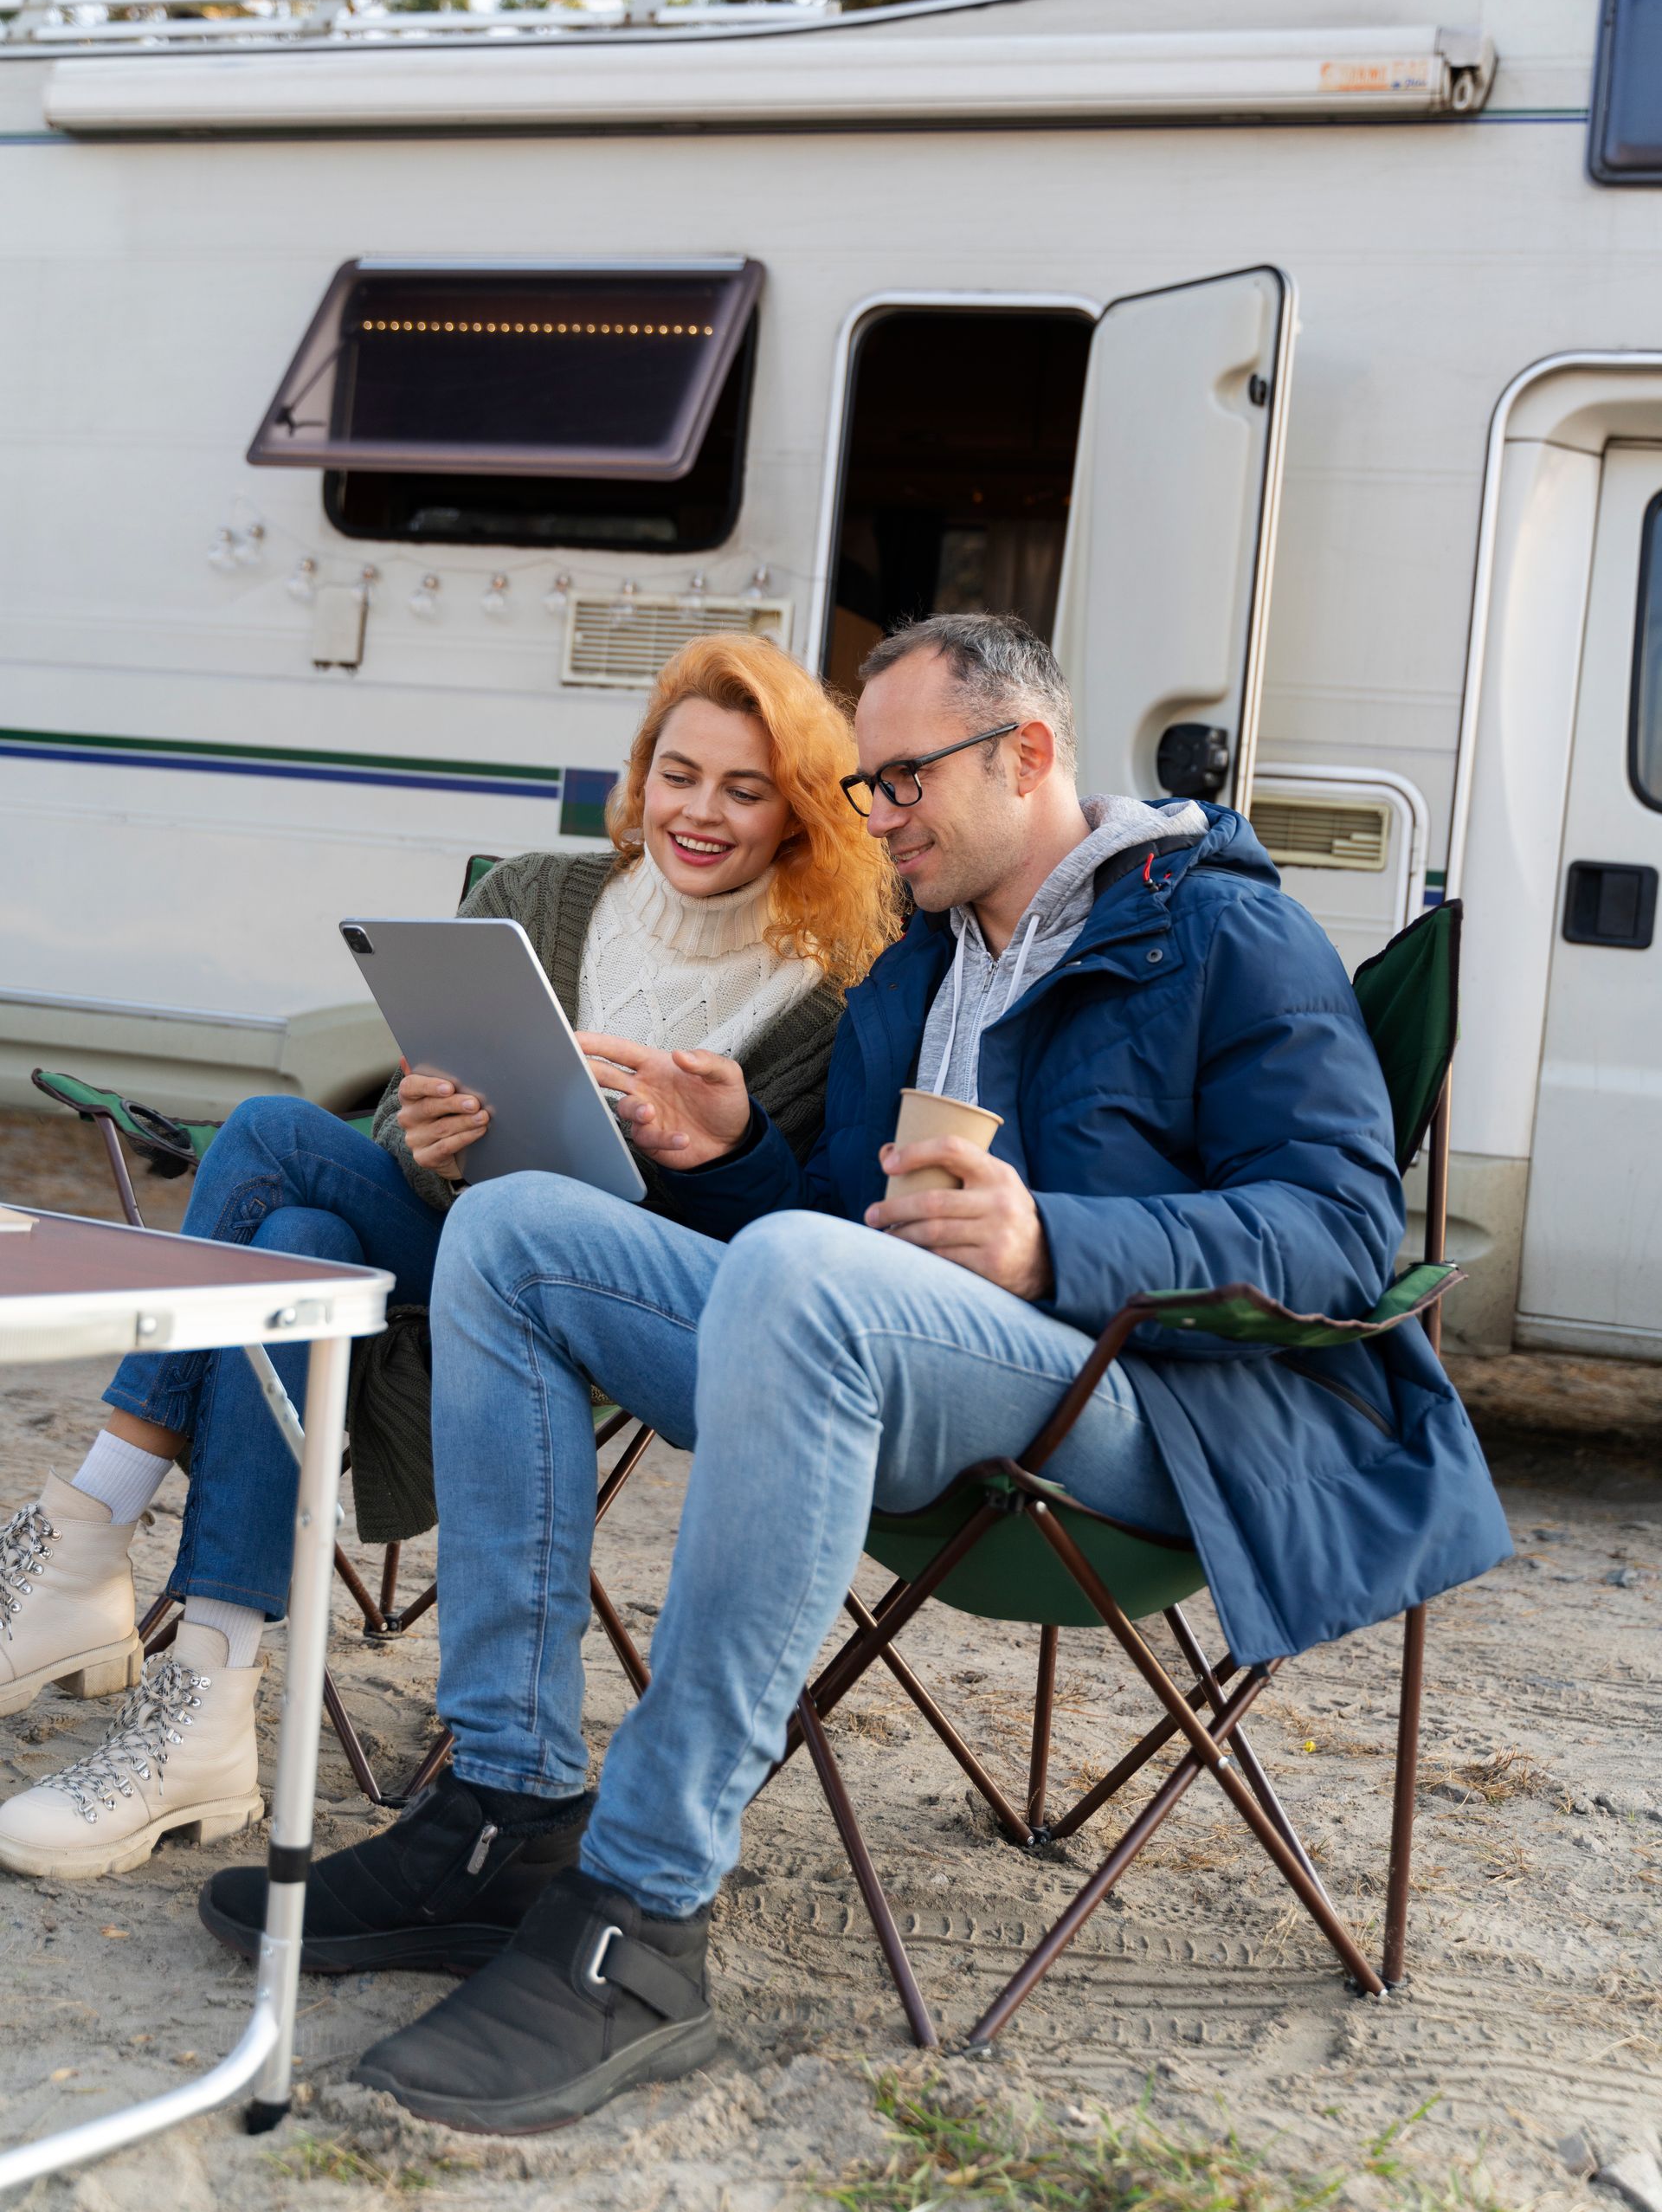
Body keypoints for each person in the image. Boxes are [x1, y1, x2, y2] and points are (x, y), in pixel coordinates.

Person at [196, 609, 1511, 2131]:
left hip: (1153, 1414)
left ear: (1026, 756)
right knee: (514, 1227)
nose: (873, 817)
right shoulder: (914, 972)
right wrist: (729, 1151)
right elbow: (821, 1238)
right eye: (866, 789)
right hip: (906, 1379)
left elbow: (1344, 1229)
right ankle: (504, 1807)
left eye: (899, 782)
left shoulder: (1225, 933)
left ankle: (644, 1908)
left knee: (802, 1279)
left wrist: (1053, 1243)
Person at [0, 635, 897, 1880]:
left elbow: (768, 1257)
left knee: (272, 1161)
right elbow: (395, 1145)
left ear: (800, 812)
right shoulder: (535, 893)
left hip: (587, 1320)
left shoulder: (835, 996)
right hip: (436, 1251)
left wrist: (720, 1143)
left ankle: (94, 1530)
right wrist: (434, 1143)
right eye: (678, 774)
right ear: (641, 777)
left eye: (745, 789)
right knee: (300, 1226)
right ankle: (198, 1700)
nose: (700, 812)